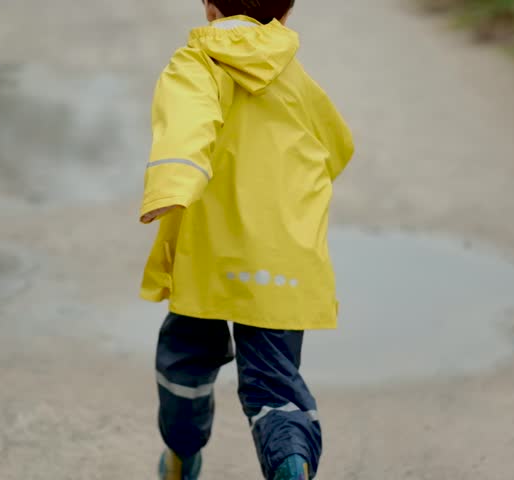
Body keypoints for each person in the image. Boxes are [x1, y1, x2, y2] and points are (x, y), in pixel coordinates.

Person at [138, 0, 354, 478]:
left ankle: (181, 452)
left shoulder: (197, 61)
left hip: (209, 253)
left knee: (186, 359)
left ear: (209, 9)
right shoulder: (295, 78)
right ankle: (292, 463)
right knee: (275, 383)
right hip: (281, 257)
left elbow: (187, 124)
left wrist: (171, 186)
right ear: (285, 15)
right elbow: (336, 147)